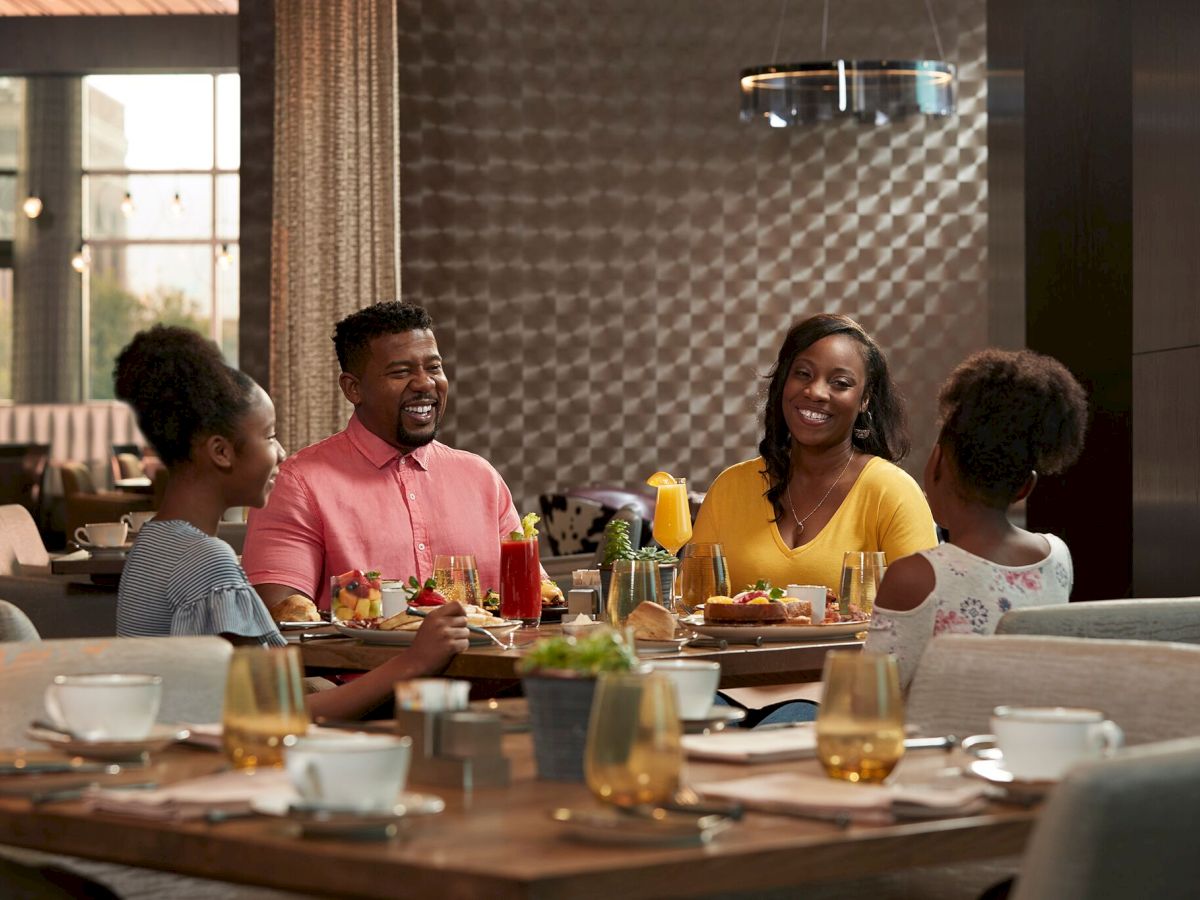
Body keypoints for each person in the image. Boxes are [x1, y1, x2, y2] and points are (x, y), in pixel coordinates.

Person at [114, 325, 469, 720]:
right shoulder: (207, 563)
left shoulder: (154, 545)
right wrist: (414, 662)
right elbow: (275, 713)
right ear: (221, 452)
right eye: (270, 436)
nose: (282, 452)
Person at [243, 301, 524, 613]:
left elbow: (533, 597)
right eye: (400, 372)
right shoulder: (298, 483)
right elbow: (282, 617)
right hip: (363, 664)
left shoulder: (481, 477)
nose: (424, 383)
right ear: (353, 389)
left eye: (433, 367)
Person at [864, 348, 1088, 691]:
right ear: (1025, 487)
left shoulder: (917, 577)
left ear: (936, 463)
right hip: (1018, 742)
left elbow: (866, 699)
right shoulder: (1058, 558)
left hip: (934, 744)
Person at [692, 313, 938, 595]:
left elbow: (922, 616)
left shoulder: (893, 492)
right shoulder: (729, 488)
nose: (816, 392)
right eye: (803, 374)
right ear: (785, 381)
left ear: (865, 399)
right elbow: (692, 610)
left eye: (840, 383)